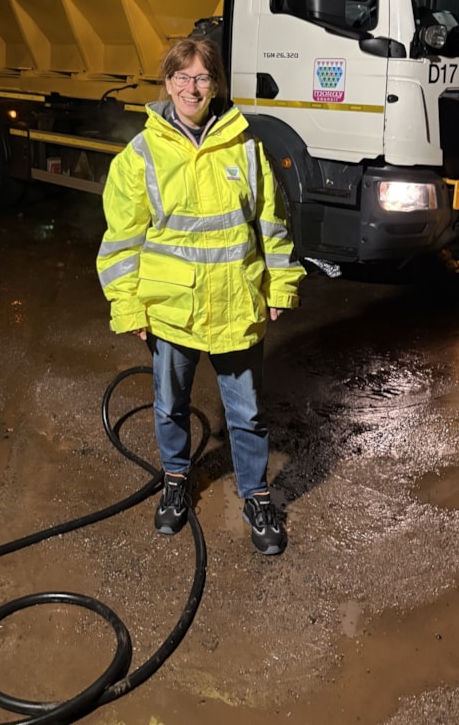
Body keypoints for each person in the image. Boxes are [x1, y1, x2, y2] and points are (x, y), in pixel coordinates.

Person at [97, 36, 305, 555]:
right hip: (171, 312)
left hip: (236, 305)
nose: (192, 87)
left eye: (202, 77)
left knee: (248, 413)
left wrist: (280, 284)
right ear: (167, 83)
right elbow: (122, 240)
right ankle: (174, 479)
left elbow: (271, 225)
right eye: (182, 77)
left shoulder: (246, 147)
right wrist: (129, 307)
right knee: (170, 407)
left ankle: (256, 495)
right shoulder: (140, 156)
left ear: (216, 85)